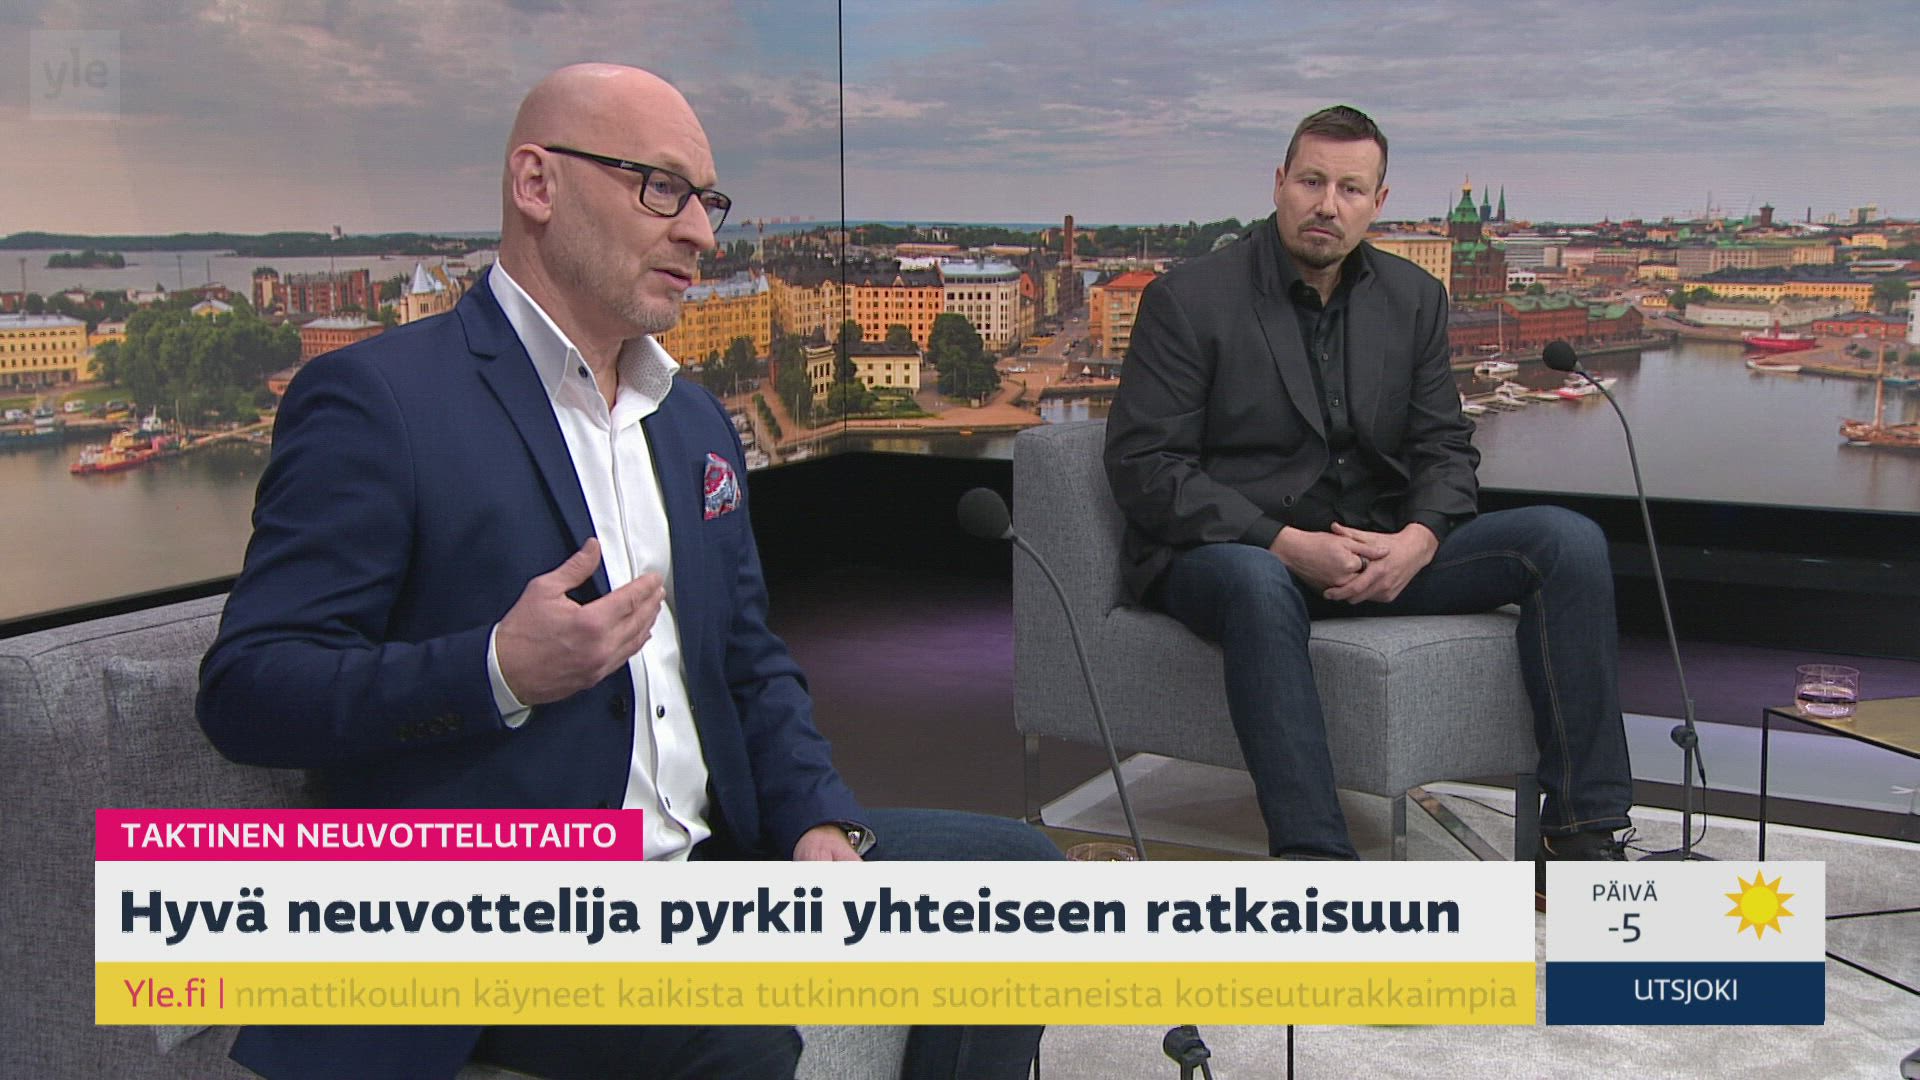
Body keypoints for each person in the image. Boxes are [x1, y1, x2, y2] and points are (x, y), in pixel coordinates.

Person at [199, 63, 1055, 1080]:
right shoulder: (377, 401)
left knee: (1019, 883)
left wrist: (815, 816)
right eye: (661, 188)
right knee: (731, 1028)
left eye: (707, 201)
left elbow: (747, 660)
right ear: (537, 183)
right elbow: (250, 690)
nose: (700, 232)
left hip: (705, 863)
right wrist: (496, 670)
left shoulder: (692, 419)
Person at [1103, 105, 1632, 889]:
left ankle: (1581, 838)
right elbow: (1146, 466)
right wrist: (1284, 543)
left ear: (1378, 202)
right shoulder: (1191, 298)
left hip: (1377, 553)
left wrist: (1419, 540)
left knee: (1567, 542)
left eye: (1350, 189)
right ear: (1279, 183)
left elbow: (1444, 449)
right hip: (1235, 555)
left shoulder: (1413, 298)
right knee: (1256, 582)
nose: (1328, 205)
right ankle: (1320, 870)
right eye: (1311, 182)